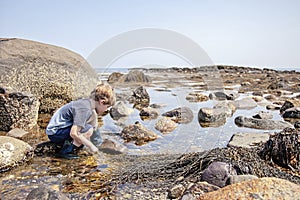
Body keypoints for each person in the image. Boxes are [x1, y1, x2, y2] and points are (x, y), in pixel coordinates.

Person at [45, 84, 116, 159]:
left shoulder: (87, 103)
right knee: (88, 129)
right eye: (107, 107)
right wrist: (91, 146)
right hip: (55, 132)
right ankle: (66, 152)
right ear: (102, 102)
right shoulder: (84, 109)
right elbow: (73, 133)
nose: (107, 110)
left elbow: (94, 126)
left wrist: (96, 143)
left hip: (60, 128)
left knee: (89, 125)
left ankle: (73, 145)